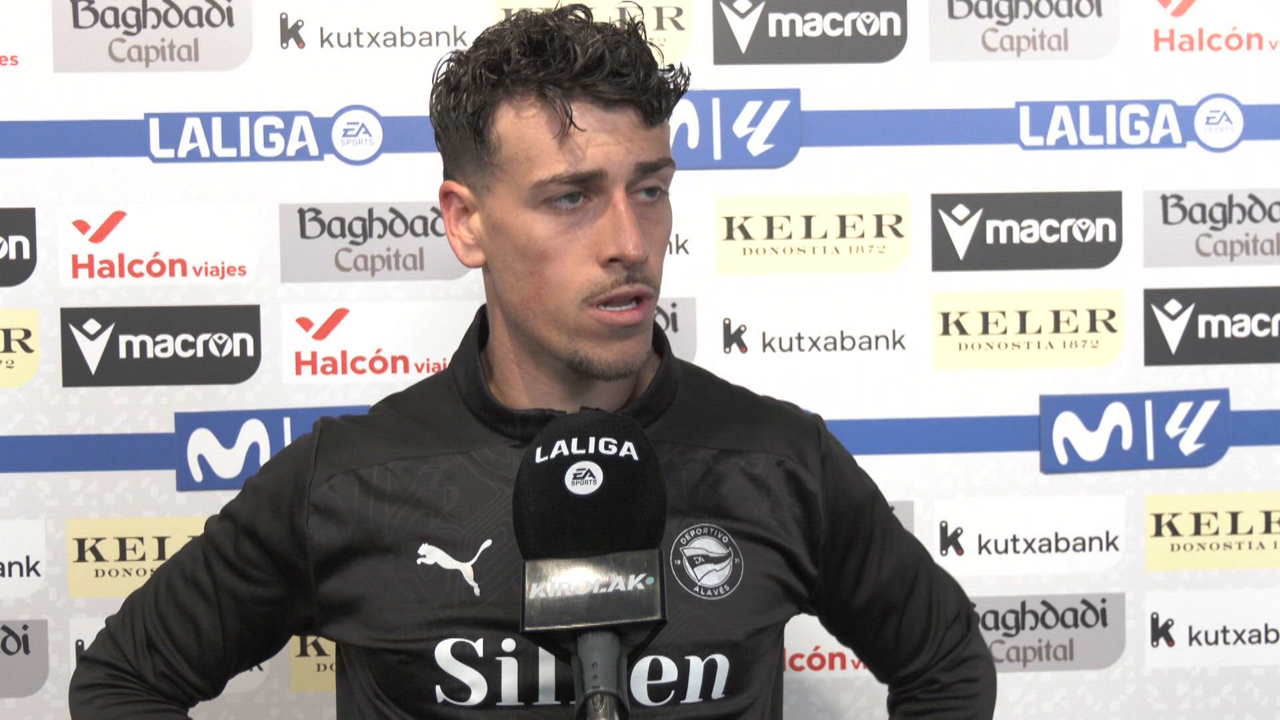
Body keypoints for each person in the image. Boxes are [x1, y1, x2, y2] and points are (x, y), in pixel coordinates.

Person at [70, 6, 996, 718]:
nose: (628, 241)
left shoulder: (779, 459)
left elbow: (947, 665)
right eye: (570, 198)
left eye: (650, 190)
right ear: (466, 222)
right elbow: (123, 682)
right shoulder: (348, 480)